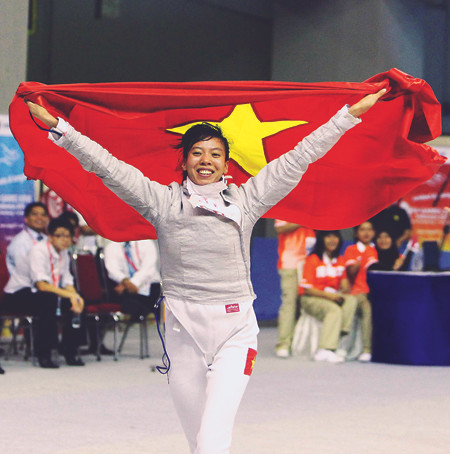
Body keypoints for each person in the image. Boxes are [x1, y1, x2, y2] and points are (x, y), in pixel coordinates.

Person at [26, 89, 384, 453]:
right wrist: (60, 128)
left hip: (235, 331)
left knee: (212, 440)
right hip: (183, 332)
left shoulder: (247, 200)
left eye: (215, 154)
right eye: (197, 152)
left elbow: (299, 156)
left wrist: (348, 115)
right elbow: (108, 166)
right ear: (184, 162)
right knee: (198, 440)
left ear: (227, 165)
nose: (206, 160)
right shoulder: (162, 202)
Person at [2, 216, 85, 368]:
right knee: (48, 299)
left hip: (43, 293)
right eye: (59, 235)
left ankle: (70, 350)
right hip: (17, 295)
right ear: (50, 236)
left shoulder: (64, 253)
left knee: (74, 301)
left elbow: (67, 281)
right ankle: (44, 354)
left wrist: (76, 297)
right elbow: (41, 285)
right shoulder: (38, 250)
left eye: (68, 236)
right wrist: (71, 295)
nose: (64, 240)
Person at [300, 230, 358, 363]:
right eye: (328, 237)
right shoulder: (313, 259)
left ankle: (339, 336)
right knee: (334, 310)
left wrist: (345, 285)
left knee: (351, 300)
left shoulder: (340, 260)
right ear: (322, 240)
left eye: (335, 237)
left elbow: (344, 286)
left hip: (332, 297)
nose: (332, 240)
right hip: (311, 298)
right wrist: (330, 296)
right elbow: (307, 289)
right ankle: (324, 350)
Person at [274, 220, 315, 358]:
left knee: (306, 304)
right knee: (289, 304)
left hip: (310, 264)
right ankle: (284, 344)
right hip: (290, 264)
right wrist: (302, 219)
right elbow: (280, 229)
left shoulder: (311, 209)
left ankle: (301, 343)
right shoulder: (285, 210)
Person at [343, 221, 378, 362]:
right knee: (365, 307)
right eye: (362, 229)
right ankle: (365, 349)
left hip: (376, 292)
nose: (366, 233)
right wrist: (362, 258)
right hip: (358, 292)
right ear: (356, 233)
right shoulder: (351, 250)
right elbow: (351, 272)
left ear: (374, 232)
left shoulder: (378, 248)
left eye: (369, 229)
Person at [103, 240, 161, 320]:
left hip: (149, 283)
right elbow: (112, 271)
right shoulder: (111, 246)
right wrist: (126, 282)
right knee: (124, 297)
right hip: (125, 287)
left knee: (154, 295)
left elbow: (148, 269)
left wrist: (132, 283)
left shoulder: (146, 242)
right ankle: (145, 314)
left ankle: (146, 314)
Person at [6, 202, 49, 275]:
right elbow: (23, 272)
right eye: (35, 214)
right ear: (26, 219)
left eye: (43, 215)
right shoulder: (20, 242)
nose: (39, 218)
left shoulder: (47, 239)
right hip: (26, 281)